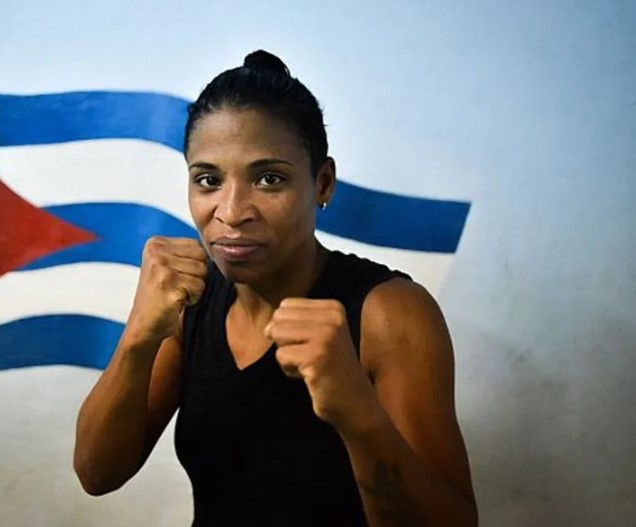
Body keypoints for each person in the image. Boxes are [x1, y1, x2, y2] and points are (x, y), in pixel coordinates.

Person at [74, 50, 477, 526]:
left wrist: (358, 416)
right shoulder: (191, 302)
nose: (231, 211)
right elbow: (98, 473)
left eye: (269, 179)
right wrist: (139, 336)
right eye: (208, 180)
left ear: (322, 182)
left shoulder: (387, 313)